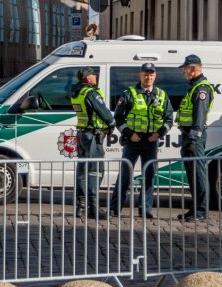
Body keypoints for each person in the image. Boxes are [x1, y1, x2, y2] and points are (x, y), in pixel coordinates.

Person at [112, 63, 174, 219]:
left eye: (151, 74)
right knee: (125, 174)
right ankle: (114, 209)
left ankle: (145, 210)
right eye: (146, 74)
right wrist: (129, 133)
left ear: (155, 76)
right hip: (132, 140)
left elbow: (169, 119)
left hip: (151, 141)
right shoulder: (130, 93)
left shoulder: (161, 95)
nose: (149, 77)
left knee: (149, 175)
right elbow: (118, 118)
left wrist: (159, 134)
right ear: (140, 75)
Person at [70, 66, 115, 218]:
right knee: (96, 171)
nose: (95, 77)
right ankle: (94, 209)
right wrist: (111, 123)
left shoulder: (77, 92)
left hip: (82, 134)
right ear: (88, 78)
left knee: (82, 170)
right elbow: (102, 111)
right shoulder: (90, 93)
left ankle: (81, 207)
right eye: (93, 75)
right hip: (92, 136)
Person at [176, 55, 215, 223]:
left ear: (192, 68)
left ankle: (200, 211)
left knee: (198, 174)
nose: (183, 72)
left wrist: (193, 139)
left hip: (194, 137)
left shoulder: (201, 89)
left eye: (185, 68)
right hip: (189, 135)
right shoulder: (194, 86)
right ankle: (195, 208)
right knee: (192, 174)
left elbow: (199, 117)